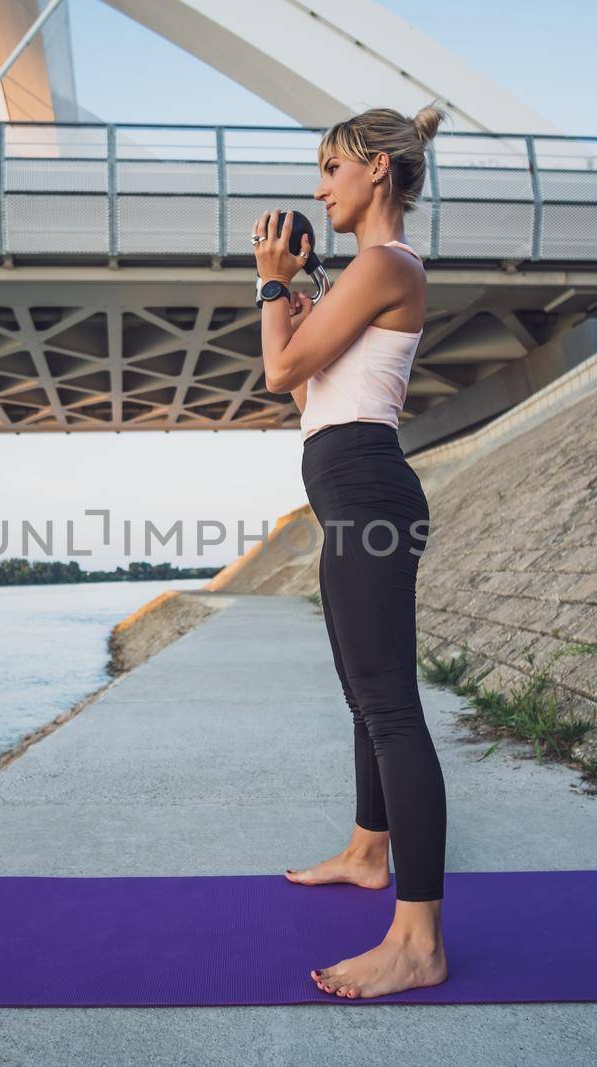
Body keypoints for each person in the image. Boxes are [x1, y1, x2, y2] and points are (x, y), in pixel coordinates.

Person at [253, 103, 449, 1000]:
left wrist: (270, 292)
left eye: (329, 168)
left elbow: (281, 373)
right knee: (364, 695)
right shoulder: (362, 275)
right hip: (349, 486)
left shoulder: (383, 263)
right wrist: (295, 305)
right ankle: (370, 853)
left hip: (368, 490)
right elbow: (308, 397)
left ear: (376, 169)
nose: (318, 187)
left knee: (391, 706)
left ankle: (418, 940)